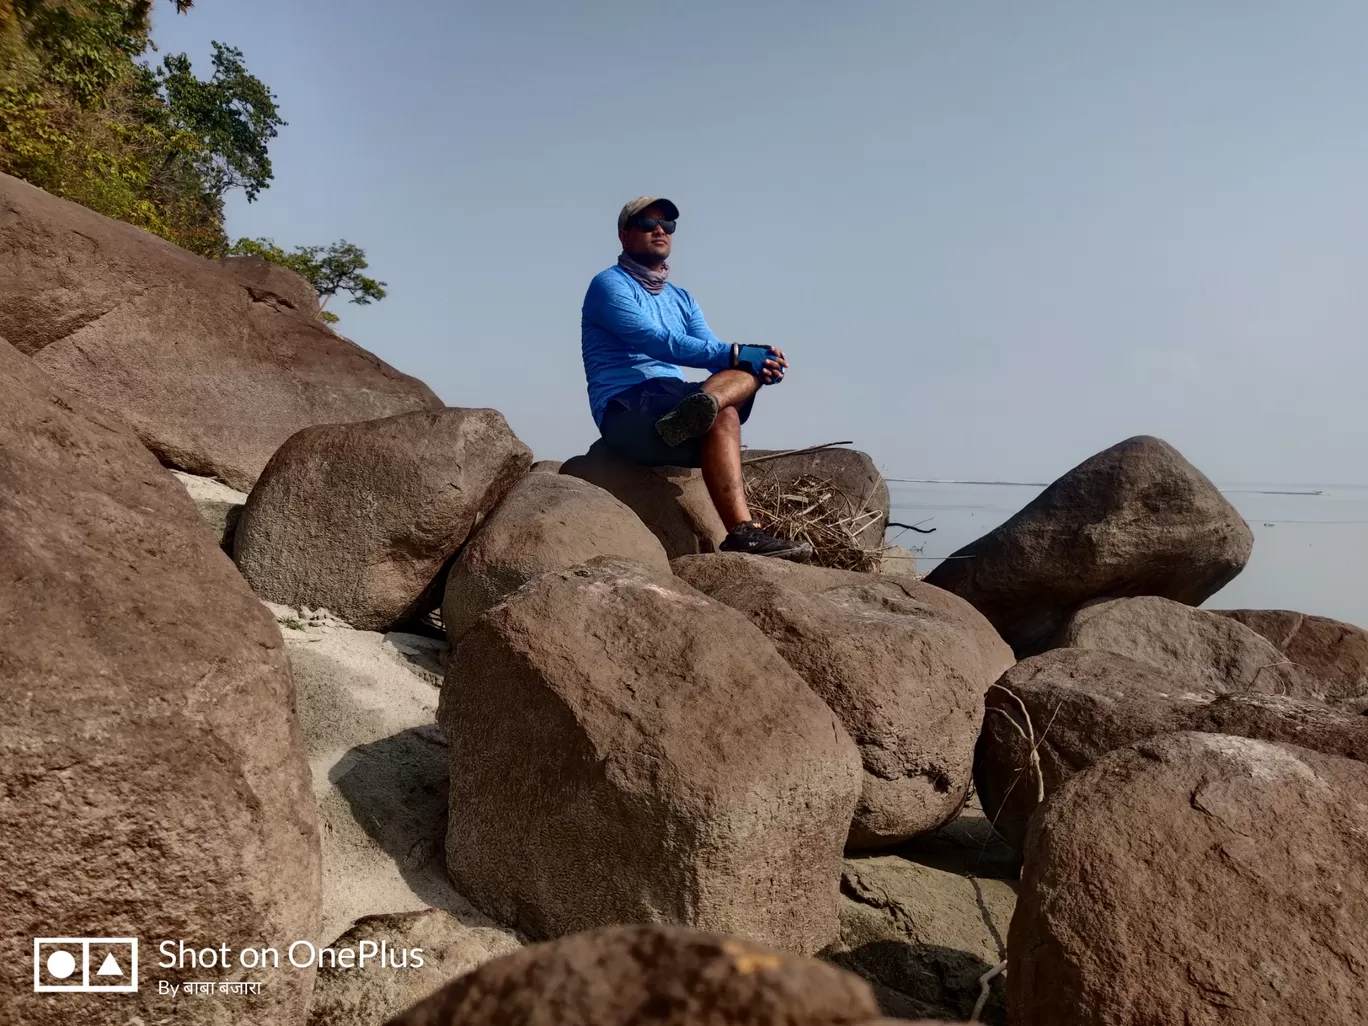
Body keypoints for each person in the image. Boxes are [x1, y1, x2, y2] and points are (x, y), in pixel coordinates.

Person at [580, 196, 814, 561]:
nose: (660, 230)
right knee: (735, 366)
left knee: (733, 394)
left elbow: (710, 350)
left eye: (668, 224)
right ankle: (700, 407)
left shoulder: (682, 298)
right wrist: (736, 352)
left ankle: (743, 531)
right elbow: (658, 342)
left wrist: (756, 361)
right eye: (647, 223)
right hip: (627, 405)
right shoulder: (609, 285)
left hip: (673, 401)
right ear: (624, 235)